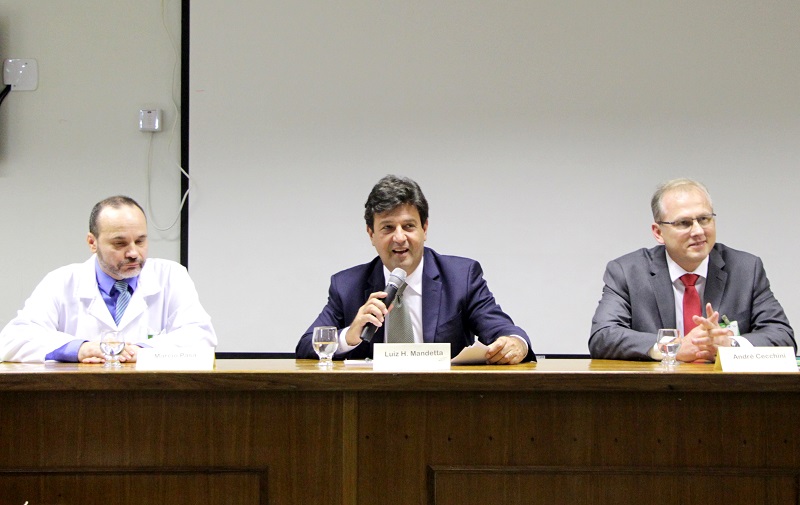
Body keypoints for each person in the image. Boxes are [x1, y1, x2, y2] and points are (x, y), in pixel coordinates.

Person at [296, 175, 534, 364]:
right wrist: (349, 335)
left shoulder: (461, 277)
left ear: (424, 229)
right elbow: (307, 345)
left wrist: (515, 344)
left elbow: (504, 330)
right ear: (371, 234)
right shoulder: (347, 286)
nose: (400, 238)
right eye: (388, 228)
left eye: (409, 226)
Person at [589, 178, 794, 362]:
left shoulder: (746, 269)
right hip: (658, 389)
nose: (698, 231)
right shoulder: (628, 272)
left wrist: (730, 345)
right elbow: (602, 336)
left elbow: (783, 337)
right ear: (658, 232)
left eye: (704, 219)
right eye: (684, 223)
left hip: (726, 390)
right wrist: (672, 348)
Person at [0, 196, 217, 363]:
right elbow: (13, 340)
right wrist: (80, 348)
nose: (133, 253)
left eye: (140, 241)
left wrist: (142, 351)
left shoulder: (171, 276)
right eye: (120, 243)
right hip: (79, 400)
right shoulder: (61, 281)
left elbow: (201, 337)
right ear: (92, 242)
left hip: (150, 399)